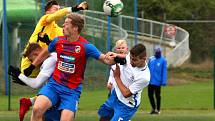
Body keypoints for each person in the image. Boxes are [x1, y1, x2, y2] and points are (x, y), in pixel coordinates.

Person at [23, 13, 122, 121]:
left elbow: (105, 59)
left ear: (75, 28)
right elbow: (46, 52)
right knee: (37, 109)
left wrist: (115, 57)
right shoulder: (58, 41)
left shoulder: (86, 46)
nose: (63, 27)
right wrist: (33, 65)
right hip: (54, 85)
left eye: (66, 24)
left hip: (71, 91)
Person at [21, 0, 88, 78]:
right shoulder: (44, 20)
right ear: (47, 12)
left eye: (59, 9)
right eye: (55, 9)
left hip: (43, 69)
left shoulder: (60, 30)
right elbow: (55, 15)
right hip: (28, 67)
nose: (58, 11)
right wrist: (75, 8)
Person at [98, 44, 150, 121]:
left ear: (143, 59)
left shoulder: (144, 77)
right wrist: (115, 55)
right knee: (104, 117)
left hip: (127, 105)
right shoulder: (131, 56)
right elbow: (126, 56)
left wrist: (117, 77)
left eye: (134, 60)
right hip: (115, 95)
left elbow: (126, 93)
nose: (131, 62)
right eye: (131, 58)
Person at [8, 43, 59, 121]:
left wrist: (19, 75)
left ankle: (29, 102)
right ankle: (29, 102)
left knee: (37, 112)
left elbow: (36, 84)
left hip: (59, 100)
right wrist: (24, 81)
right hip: (57, 97)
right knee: (37, 113)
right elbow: (44, 83)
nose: (33, 63)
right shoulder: (54, 55)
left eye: (32, 60)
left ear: (36, 53)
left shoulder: (50, 61)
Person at [147, 46, 167, 114]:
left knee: (158, 96)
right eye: (156, 52)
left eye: (158, 52)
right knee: (150, 95)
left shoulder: (163, 60)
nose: (157, 53)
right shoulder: (151, 59)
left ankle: (158, 110)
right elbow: (147, 69)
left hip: (158, 82)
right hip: (150, 81)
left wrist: (164, 81)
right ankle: (153, 108)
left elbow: (164, 71)